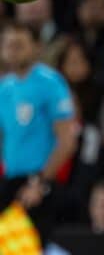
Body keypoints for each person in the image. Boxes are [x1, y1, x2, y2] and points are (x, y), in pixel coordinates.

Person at [0, 22, 78, 246]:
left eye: (19, 45)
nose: (12, 51)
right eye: (8, 45)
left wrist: (40, 182)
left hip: (39, 181)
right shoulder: (5, 87)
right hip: (10, 180)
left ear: (35, 47)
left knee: (31, 246)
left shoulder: (50, 83)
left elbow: (67, 140)